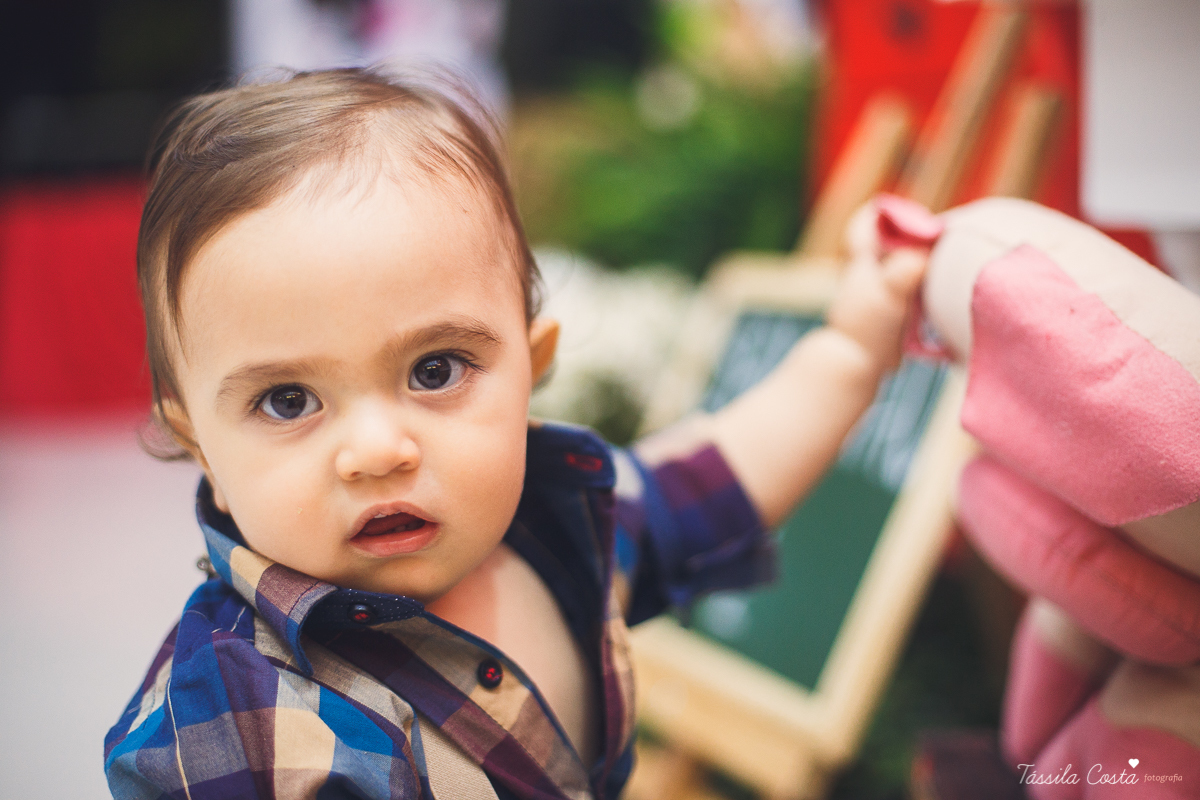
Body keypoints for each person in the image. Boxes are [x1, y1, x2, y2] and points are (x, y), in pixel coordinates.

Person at [103, 67, 924, 800]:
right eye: (287, 400)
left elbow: (719, 483)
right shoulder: (240, 717)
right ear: (199, 442)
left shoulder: (557, 523)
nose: (379, 450)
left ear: (532, 369)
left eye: (435, 370)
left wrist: (852, 349)